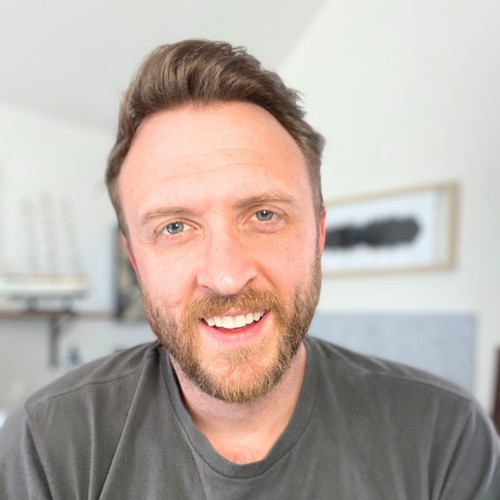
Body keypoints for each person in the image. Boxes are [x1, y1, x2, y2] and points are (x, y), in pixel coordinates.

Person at [0, 39, 499, 499]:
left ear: (318, 235)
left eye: (264, 215)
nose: (226, 276)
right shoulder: (45, 446)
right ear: (136, 261)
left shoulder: (445, 437)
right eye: (174, 227)